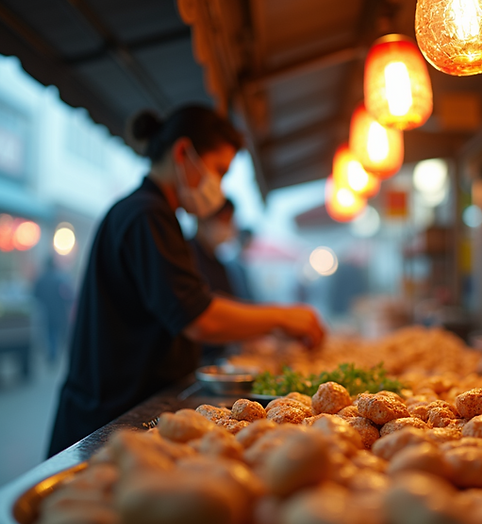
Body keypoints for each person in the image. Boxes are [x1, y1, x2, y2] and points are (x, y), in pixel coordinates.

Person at [47, 105, 324, 457]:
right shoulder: (146, 214)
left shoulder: (155, 214)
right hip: (106, 420)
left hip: (123, 408)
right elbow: (199, 317)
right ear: (182, 153)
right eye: (218, 171)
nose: (218, 188)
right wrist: (284, 316)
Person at [188, 198, 237, 298]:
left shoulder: (218, 265)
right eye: (224, 220)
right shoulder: (187, 255)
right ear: (205, 219)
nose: (228, 227)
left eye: (229, 221)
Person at [33, 257, 74, 366]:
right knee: (56, 333)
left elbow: (35, 295)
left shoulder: (41, 280)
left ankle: (52, 354)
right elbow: (69, 297)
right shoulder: (59, 280)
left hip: (45, 312)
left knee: (50, 333)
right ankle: (54, 354)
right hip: (59, 312)